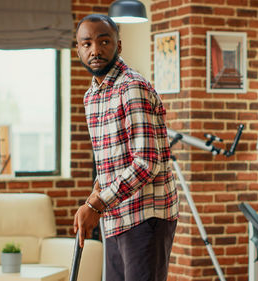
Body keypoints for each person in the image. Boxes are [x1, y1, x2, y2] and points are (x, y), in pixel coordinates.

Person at [73, 14, 179, 281]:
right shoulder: (92, 96)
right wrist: (92, 201)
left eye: (104, 41)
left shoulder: (132, 87)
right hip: (116, 216)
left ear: (118, 46)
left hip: (146, 216)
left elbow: (146, 163)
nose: (95, 50)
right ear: (78, 49)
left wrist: (96, 205)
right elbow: (110, 161)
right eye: (87, 44)